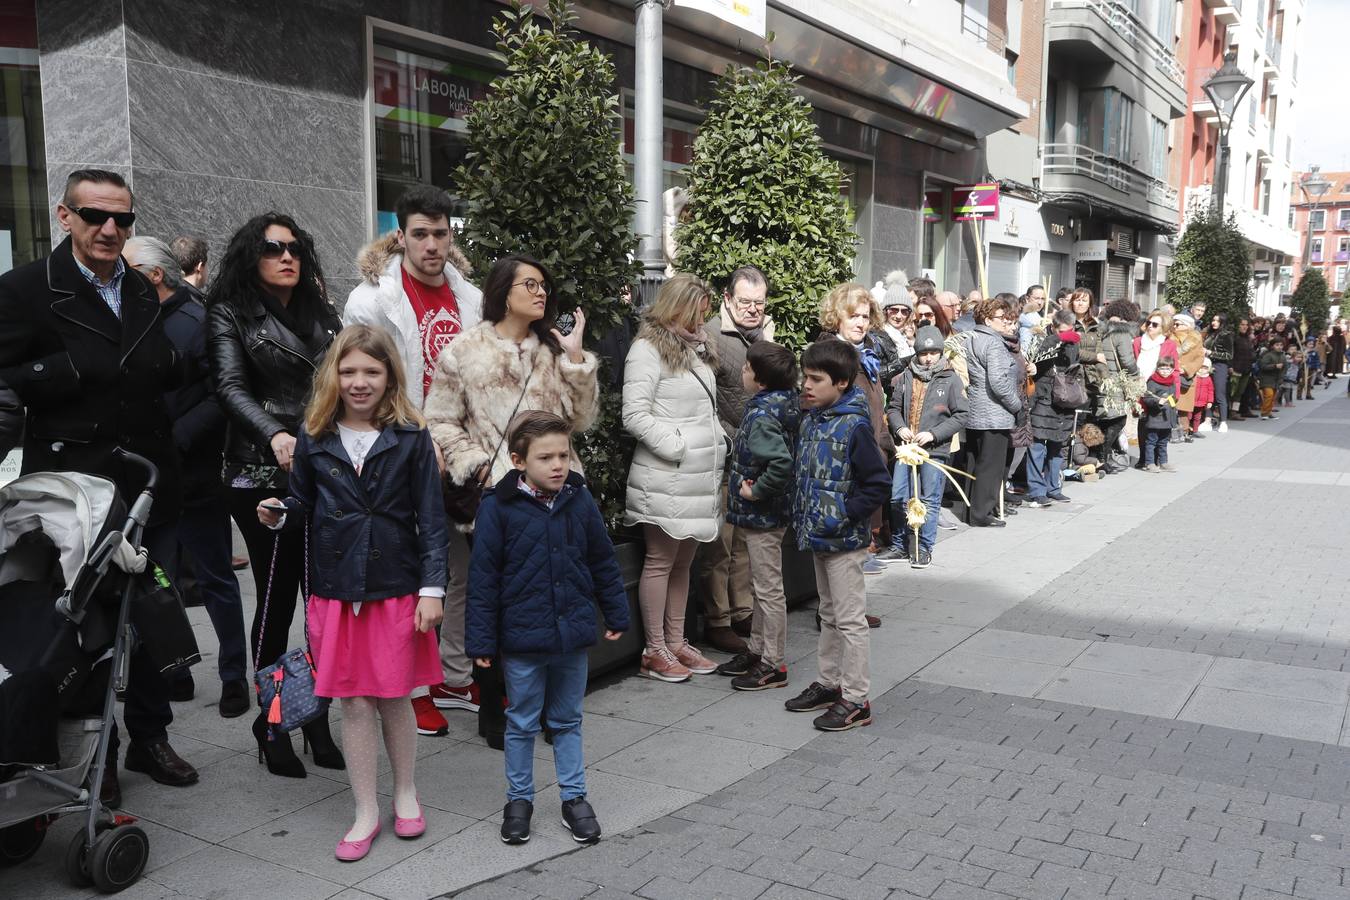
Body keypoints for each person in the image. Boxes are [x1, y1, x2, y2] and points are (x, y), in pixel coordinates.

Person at [0, 168, 197, 804]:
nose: (110, 229)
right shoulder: (24, 289)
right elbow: (6, 379)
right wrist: (66, 369)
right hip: (74, 490)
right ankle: (97, 753)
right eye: (95, 216)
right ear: (65, 217)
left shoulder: (140, 287)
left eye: (123, 219)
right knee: (90, 620)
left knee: (152, 610)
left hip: (145, 480)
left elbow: (150, 367)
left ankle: (150, 733)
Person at [256, 325, 448, 862]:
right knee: (355, 703)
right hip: (337, 591)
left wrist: (432, 590)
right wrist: (280, 513)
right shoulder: (314, 435)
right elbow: (304, 505)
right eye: (348, 371)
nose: (359, 382)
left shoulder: (411, 436)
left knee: (395, 697)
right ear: (333, 377)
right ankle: (365, 809)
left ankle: (405, 793)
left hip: (395, 588)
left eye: (371, 371)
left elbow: (431, 522)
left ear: (389, 377)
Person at [425, 253, 597, 740]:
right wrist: (477, 465)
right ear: (503, 291)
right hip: (496, 499)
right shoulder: (464, 350)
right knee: (496, 600)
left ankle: (544, 706)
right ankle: (494, 709)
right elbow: (438, 420)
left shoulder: (551, 351)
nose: (541, 292)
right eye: (530, 284)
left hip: (557, 496)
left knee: (550, 594)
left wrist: (577, 359)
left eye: (544, 285)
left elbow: (580, 420)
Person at [208, 211, 345, 778]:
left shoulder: (319, 310)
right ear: (250, 256)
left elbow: (345, 378)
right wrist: (276, 434)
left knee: (322, 601)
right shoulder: (229, 313)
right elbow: (230, 387)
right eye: (271, 248)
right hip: (259, 471)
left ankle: (314, 716)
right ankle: (272, 720)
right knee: (277, 595)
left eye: (293, 248)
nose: (285, 256)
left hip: (323, 467)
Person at [345, 185, 485, 736]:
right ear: (400, 236)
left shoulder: (470, 298)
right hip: (403, 446)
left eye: (441, 233)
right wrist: (410, 433)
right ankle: (414, 686)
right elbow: (365, 378)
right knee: (411, 573)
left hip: (461, 449)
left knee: (461, 570)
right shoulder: (372, 299)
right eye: (420, 234)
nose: (431, 244)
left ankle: (453, 674)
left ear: (452, 236)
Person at [467, 411, 629, 847]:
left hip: (571, 635)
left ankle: (574, 798)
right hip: (521, 638)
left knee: (567, 719)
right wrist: (481, 640)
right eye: (546, 457)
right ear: (519, 461)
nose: (558, 465)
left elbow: (602, 560)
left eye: (563, 454)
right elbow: (482, 579)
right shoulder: (497, 509)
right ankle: (519, 800)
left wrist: (616, 612)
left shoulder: (579, 499)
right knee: (520, 721)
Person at [125, 236, 249, 718]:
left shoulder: (199, 321)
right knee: (160, 579)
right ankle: (171, 671)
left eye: (128, 265)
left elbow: (225, 393)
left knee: (215, 577)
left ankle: (233, 677)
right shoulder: (130, 320)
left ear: (154, 274)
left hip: (194, 474)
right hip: (147, 478)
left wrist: (176, 437)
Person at [621, 273, 725, 683]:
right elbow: (635, 414)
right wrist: (679, 446)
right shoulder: (647, 349)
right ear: (677, 306)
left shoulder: (695, 348)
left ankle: (676, 641)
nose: (702, 321)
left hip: (696, 475)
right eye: (697, 313)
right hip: (666, 475)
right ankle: (655, 649)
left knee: (684, 561)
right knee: (662, 561)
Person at [785, 340, 889, 731]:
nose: (806, 386)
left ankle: (856, 697)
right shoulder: (814, 420)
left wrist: (842, 515)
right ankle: (829, 683)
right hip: (819, 538)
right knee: (828, 614)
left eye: (816, 379)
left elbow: (876, 483)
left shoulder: (855, 427)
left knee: (849, 620)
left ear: (842, 383)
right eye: (805, 377)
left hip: (844, 542)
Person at [715, 342, 800, 690]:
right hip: (769, 513)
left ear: (760, 380)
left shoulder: (763, 414)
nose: (743, 373)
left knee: (766, 589)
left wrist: (756, 490)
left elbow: (780, 462)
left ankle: (771, 662)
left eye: (748, 369)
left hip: (763, 513)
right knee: (761, 586)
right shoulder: (780, 404)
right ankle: (758, 648)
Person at [700, 265, 774, 653]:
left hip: (755, 459)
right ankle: (717, 619)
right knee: (720, 545)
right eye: (744, 302)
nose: (751, 309)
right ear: (727, 298)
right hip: (724, 456)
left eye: (758, 303)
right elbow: (706, 399)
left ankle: (742, 609)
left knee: (745, 541)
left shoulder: (766, 335)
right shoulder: (711, 336)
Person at [816, 284, 897, 581]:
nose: (861, 323)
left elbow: (877, 408)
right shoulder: (828, 356)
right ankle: (839, 616)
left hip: (869, 457)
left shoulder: (867, 355)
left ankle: (850, 610)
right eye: (853, 316)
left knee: (858, 548)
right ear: (837, 317)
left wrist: (885, 448)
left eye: (865, 316)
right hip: (842, 466)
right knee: (841, 553)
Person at [884, 325, 967, 568]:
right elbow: (893, 408)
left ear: (941, 353)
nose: (928, 358)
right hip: (906, 449)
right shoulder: (906, 376)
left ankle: (923, 547)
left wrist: (933, 434)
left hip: (935, 450)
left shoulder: (951, 378)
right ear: (916, 353)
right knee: (898, 497)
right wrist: (899, 428)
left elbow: (962, 415)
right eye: (923, 353)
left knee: (929, 500)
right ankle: (899, 545)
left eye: (933, 353)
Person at [961, 296, 1023, 527]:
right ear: (987, 320)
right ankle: (982, 514)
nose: (1006, 323)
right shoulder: (993, 342)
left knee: (975, 462)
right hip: (994, 412)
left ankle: (971, 510)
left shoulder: (969, 338)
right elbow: (998, 382)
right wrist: (1016, 406)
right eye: (1001, 318)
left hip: (976, 410)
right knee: (991, 465)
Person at [1025, 310, 1081, 508]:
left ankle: (1053, 487)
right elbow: (1037, 356)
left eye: (1070, 330)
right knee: (1037, 447)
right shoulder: (1041, 337)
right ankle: (1036, 491)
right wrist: (1057, 338)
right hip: (1042, 399)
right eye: (1063, 331)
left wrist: (1069, 342)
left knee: (1057, 448)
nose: (1068, 334)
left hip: (1062, 401)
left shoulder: (1073, 343)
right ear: (1053, 327)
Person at [1094, 300, 1139, 473]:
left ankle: (1098, 457)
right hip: (1115, 383)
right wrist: (1136, 375)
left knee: (1104, 420)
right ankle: (1102, 459)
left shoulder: (1101, 331)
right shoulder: (1122, 333)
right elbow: (1127, 361)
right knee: (1118, 420)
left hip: (1100, 380)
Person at [1139, 356, 1180, 473]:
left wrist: (1173, 402)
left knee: (1163, 442)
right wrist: (1158, 402)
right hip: (1155, 418)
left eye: (1168, 369)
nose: (1165, 371)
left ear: (1172, 370)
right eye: (1162, 368)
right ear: (1157, 368)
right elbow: (1146, 398)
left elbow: (1173, 397)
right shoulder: (1152, 381)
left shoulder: (1172, 381)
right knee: (1151, 442)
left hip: (1167, 418)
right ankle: (1150, 463)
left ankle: (1163, 462)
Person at [1172, 314, 1205, 442]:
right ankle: (1170, 432)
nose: (1175, 326)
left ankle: (1184, 431)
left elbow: (1200, 358)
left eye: (1178, 324)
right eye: (1174, 324)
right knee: (1169, 404)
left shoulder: (1195, 338)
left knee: (1183, 408)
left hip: (1186, 377)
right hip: (1169, 374)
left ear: (1187, 325)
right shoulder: (1169, 337)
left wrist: (1185, 369)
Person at [1203, 314, 1233, 431]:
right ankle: (1207, 420)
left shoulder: (1227, 335)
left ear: (1222, 322)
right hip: (1207, 364)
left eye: (1217, 321)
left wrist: (1211, 353)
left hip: (1220, 366)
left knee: (1220, 394)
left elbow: (1229, 355)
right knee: (1208, 393)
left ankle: (1223, 422)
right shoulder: (1209, 333)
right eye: (1213, 320)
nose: (1214, 322)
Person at [1229, 318, 1255, 420]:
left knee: (1239, 393)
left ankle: (1234, 411)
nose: (1244, 327)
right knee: (1232, 392)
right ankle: (1228, 411)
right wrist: (1230, 366)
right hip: (1236, 369)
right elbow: (1231, 353)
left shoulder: (1248, 339)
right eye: (1242, 324)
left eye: (1246, 325)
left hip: (1246, 369)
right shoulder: (1233, 337)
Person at [880, 285, 914, 362]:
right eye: (894, 310)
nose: (899, 316)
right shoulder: (877, 337)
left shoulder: (909, 337)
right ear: (885, 311)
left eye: (904, 311)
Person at [1257, 336, 1287, 419]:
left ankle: (1269, 412)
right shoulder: (1268, 355)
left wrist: (1281, 378)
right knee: (1269, 395)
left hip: (1276, 380)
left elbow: (1285, 368)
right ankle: (1264, 413)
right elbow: (1263, 366)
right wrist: (1275, 366)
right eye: (1277, 345)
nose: (1279, 347)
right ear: (1272, 346)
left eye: (1281, 345)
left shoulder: (1282, 356)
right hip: (1266, 379)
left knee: (1273, 397)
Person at [1018, 285, 1047, 352]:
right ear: (1027, 299)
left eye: (1042, 299)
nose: (1040, 302)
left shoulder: (1041, 315)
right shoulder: (1027, 316)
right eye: (1036, 298)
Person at [1190, 359, 1215, 435]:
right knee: (1189, 416)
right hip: (1192, 401)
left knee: (1197, 417)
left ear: (1208, 369)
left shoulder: (1208, 379)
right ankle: (1187, 429)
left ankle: (1195, 430)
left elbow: (1210, 391)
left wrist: (1210, 401)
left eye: (1205, 368)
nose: (1202, 370)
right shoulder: (1194, 376)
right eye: (1201, 367)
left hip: (1201, 402)